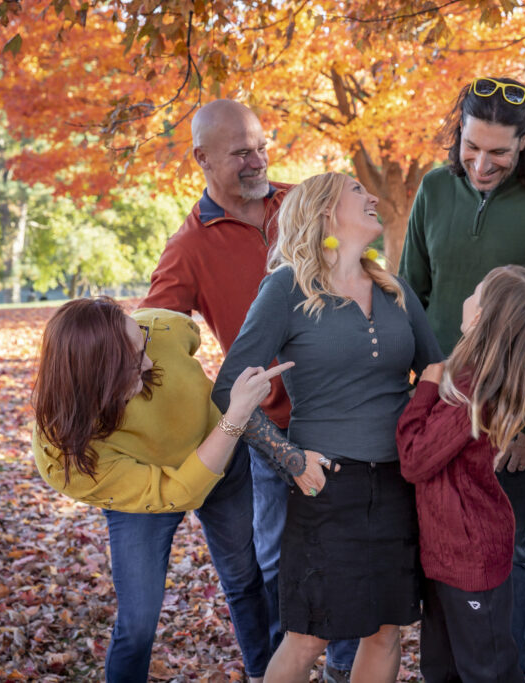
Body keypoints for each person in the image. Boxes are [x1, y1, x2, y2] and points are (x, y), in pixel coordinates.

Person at [140, 99, 358, 679]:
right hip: (270, 426)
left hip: (345, 415)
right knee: (272, 561)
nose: (257, 159)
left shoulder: (302, 203)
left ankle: (342, 667)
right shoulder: (190, 246)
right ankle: (277, 670)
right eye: (240, 152)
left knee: (346, 553)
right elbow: (153, 337)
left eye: (261, 146)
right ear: (202, 159)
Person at [212, 172, 443, 683]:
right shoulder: (286, 288)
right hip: (325, 485)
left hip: (398, 485)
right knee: (309, 635)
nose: (373, 199)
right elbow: (230, 389)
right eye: (358, 192)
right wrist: (291, 460)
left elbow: (435, 371)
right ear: (323, 212)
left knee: (386, 629)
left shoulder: (393, 288)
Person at [399, 76, 525, 673]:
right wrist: (422, 389)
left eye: (499, 153)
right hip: (440, 404)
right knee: (442, 542)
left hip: (511, 420)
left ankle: (498, 666)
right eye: (470, 146)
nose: (481, 164)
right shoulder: (433, 188)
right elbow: (413, 293)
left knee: (509, 546)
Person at [31, 297, 301, 682]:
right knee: (138, 619)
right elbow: (179, 492)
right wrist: (236, 417)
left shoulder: (160, 328)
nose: (148, 361)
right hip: (147, 489)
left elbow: (187, 335)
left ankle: (262, 673)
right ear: (96, 379)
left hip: (223, 460)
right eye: (131, 360)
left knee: (243, 578)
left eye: (142, 342)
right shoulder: (65, 456)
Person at [397, 265, 525, 683]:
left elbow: (414, 460)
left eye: (476, 291)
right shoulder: (476, 378)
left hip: (469, 555)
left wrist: (426, 388)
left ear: (481, 315)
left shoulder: (471, 390)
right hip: (449, 551)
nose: (468, 298)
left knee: (487, 671)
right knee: (442, 668)